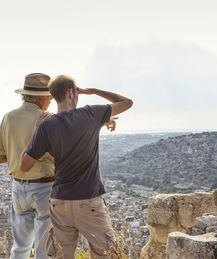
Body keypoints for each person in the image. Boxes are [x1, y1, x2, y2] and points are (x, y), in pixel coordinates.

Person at [19, 75, 133, 258]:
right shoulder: (90, 114)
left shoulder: (47, 126)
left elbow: (24, 165)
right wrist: (93, 91)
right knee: (107, 254)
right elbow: (126, 102)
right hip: (89, 201)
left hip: (60, 203)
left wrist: (35, 133)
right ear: (72, 93)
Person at [0, 73, 55, 259]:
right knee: (44, 247)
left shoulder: (8, 118)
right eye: (49, 96)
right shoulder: (48, 120)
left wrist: (15, 156)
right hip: (44, 186)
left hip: (18, 187)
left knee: (20, 246)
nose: (51, 100)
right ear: (40, 97)